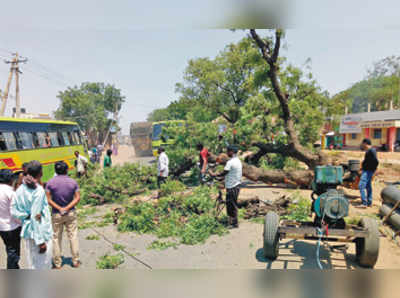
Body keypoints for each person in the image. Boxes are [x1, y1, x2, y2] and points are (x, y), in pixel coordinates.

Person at [11, 161, 53, 269]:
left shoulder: (20, 189)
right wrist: (40, 242)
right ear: (40, 173)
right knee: (44, 265)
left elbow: (13, 211)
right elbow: (36, 216)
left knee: (32, 264)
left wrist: (25, 216)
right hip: (40, 233)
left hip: (28, 231)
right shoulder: (38, 190)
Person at [46, 161, 81, 269]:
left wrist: (59, 208)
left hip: (56, 214)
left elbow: (48, 199)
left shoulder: (50, 183)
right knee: (73, 236)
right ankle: (75, 261)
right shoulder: (73, 182)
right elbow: (77, 198)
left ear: (55, 170)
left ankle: (57, 263)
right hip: (70, 213)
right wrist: (66, 208)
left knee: (56, 238)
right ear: (66, 170)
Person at [211, 145, 242, 228]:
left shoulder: (230, 162)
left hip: (232, 186)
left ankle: (233, 223)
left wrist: (214, 174)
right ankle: (233, 222)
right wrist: (219, 178)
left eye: (228, 151)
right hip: (236, 185)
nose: (227, 153)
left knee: (231, 205)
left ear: (231, 152)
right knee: (232, 204)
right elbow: (228, 174)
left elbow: (224, 173)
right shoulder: (237, 161)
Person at [0, 169, 22, 269]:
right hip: (12, 227)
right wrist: (21, 223)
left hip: (2, 227)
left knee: (9, 248)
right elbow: (15, 213)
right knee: (13, 252)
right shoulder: (10, 192)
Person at [359, 138, 379, 208]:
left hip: (368, 171)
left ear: (365, 143)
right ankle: (369, 202)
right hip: (367, 170)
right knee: (368, 187)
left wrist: (374, 170)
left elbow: (376, 161)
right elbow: (367, 161)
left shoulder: (372, 150)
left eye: (363, 143)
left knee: (361, 186)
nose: (362, 145)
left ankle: (364, 203)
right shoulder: (369, 151)